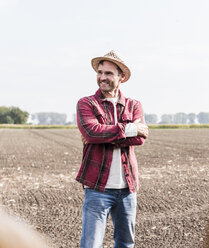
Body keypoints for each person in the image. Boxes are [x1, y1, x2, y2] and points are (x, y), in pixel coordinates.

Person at [76, 50, 148, 248]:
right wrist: (130, 129)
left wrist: (103, 135)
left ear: (121, 77)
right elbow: (91, 131)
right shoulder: (86, 103)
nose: (102, 77)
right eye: (100, 72)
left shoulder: (134, 105)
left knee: (126, 244)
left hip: (127, 188)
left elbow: (140, 140)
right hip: (97, 188)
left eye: (108, 73)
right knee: (91, 244)